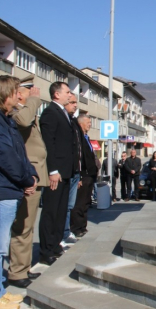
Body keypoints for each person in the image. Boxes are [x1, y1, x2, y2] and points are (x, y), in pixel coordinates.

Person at [0, 75, 38, 309]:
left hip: (7, 188)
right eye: (16, 92)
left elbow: (20, 154)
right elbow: (6, 158)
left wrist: (31, 174)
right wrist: (25, 179)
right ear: (4, 94)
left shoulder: (4, 120)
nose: (19, 96)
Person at [7, 76, 48, 289]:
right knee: (22, 226)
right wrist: (33, 101)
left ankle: (22, 268)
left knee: (28, 226)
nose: (33, 93)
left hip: (35, 173)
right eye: (25, 90)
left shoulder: (25, 110)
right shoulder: (15, 112)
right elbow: (23, 121)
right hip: (26, 175)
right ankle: (16, 272)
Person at [39, 82, 75, 266]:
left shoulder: (64, 113)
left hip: (66, 171)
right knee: (51, 212)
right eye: (67, 92)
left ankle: (55, 245)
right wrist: (52, 170)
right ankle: (46, 250)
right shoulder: (50, 113)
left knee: (61, 211)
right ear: (56, 94)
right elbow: (48, 144)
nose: (70, 94)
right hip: (56, 172)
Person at [70, 114, 98, 238]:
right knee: (79, 203)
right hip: (84, 174)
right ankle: (76, 227)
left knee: (86, 202)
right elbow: (79, 158)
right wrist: (80, 176)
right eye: (88, 122)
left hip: (90, 175)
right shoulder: (78, 138)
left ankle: (83, 226)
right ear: (81, 123)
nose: (90, 125)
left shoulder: (86, 137)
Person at [62, 94, 80, 247]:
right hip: (64, 171)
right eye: (72, 102)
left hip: (75, 171)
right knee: (65, 206)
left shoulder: (73, 122)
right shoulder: (58, 118)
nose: (75, 105)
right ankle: (63, 233)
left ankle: (66, 232)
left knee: (70, 205)